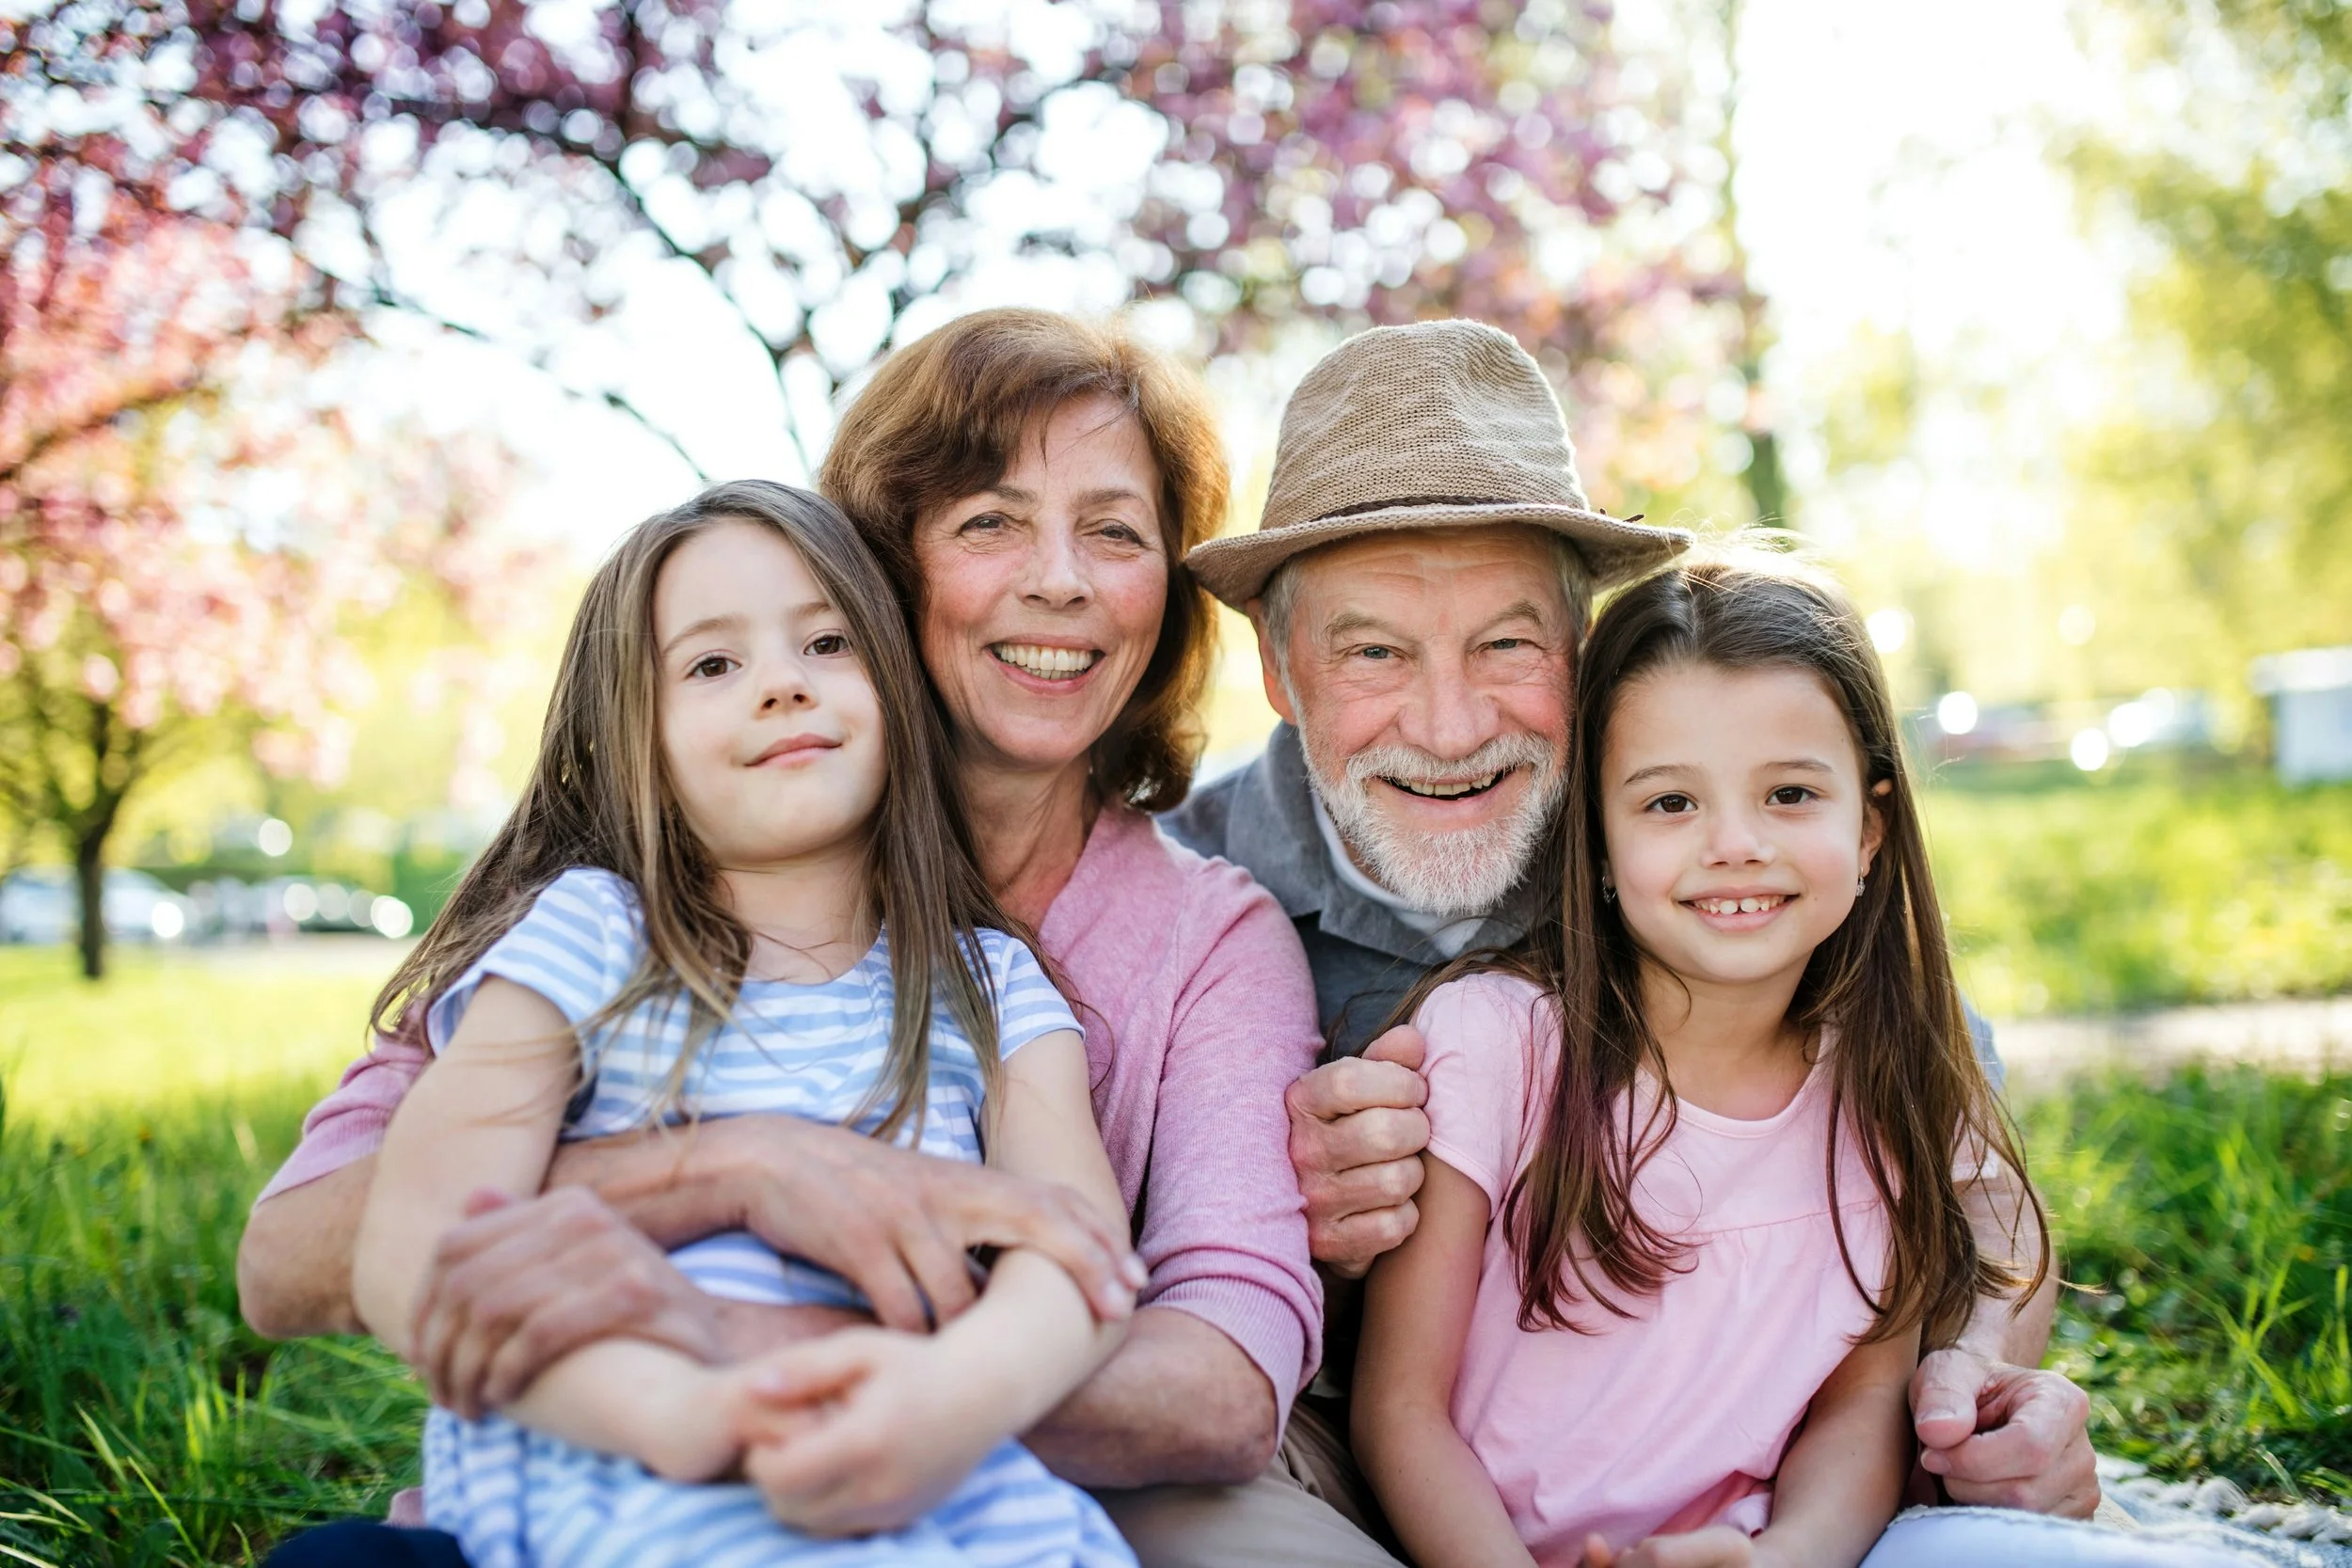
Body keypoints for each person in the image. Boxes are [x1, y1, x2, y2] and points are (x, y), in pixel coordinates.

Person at [246, 309, 1349, 1567]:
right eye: (991, 519)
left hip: (955, 1501)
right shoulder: (594, 921)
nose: (1063, 577)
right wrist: (737, 1169)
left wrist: (772, 1365)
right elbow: (302, 1257)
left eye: (1116, 529)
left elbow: (1195, 1363)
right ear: (888, 571)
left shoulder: (1063, 970)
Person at [1162, 321, 2104, 1533]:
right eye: (1374, 653)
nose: (1450, 728)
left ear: (1581, 645)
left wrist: (1975, 1379)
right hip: (1338, 1444)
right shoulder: (1185, 897)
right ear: (1281, 670)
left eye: (1506, 643)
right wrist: (1269, 1205)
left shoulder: (1677, 838)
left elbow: (1957, 1169)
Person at [1351, 550, 2249, 1568]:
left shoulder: (1885, 1078)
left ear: (1868, 827)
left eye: (1787, 794)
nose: (1734, 843)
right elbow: (1399, 1407)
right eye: (1668, 803)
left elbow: (1857, 1406)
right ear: (1595, 841)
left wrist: (1788, 1560)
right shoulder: (1497, 1041)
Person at [349, 480, 1141, 1566]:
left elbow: (1078, 1251)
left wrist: (955, 1397)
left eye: (825, 642)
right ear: (637, 736)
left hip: (938, 1489)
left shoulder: (990, 985)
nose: (780, 685)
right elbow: (413, 1248)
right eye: (712, 664)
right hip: (626, 1483)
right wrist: (684, 1413)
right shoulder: (586, 939)